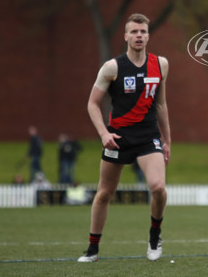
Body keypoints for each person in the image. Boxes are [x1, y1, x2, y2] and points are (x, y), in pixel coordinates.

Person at [78, 13, 171, 263]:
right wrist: (103, 134)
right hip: (118, 138)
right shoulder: (112, 67)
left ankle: (154, 236)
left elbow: (161, 106)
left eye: (143, 31)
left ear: (148, 36)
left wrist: (167, 141)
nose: (139, 35)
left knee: (159, 188)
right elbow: (92, 104)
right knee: (104, 193)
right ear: (126, 36)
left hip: (148, 137)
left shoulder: (161, 64)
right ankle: (92, 248)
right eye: (134, 32)